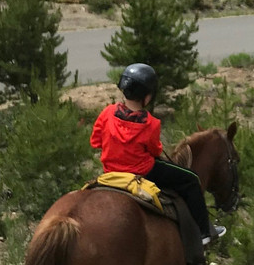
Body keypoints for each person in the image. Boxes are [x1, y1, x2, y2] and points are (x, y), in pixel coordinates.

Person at [91, 62, 226, 245]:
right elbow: (155, 151)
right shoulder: (151, 123)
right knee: (191, 179)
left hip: (111, 172)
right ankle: (204, 233)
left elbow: (95, 142)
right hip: (143, 172)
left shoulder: (107, 113)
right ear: (147, 97)